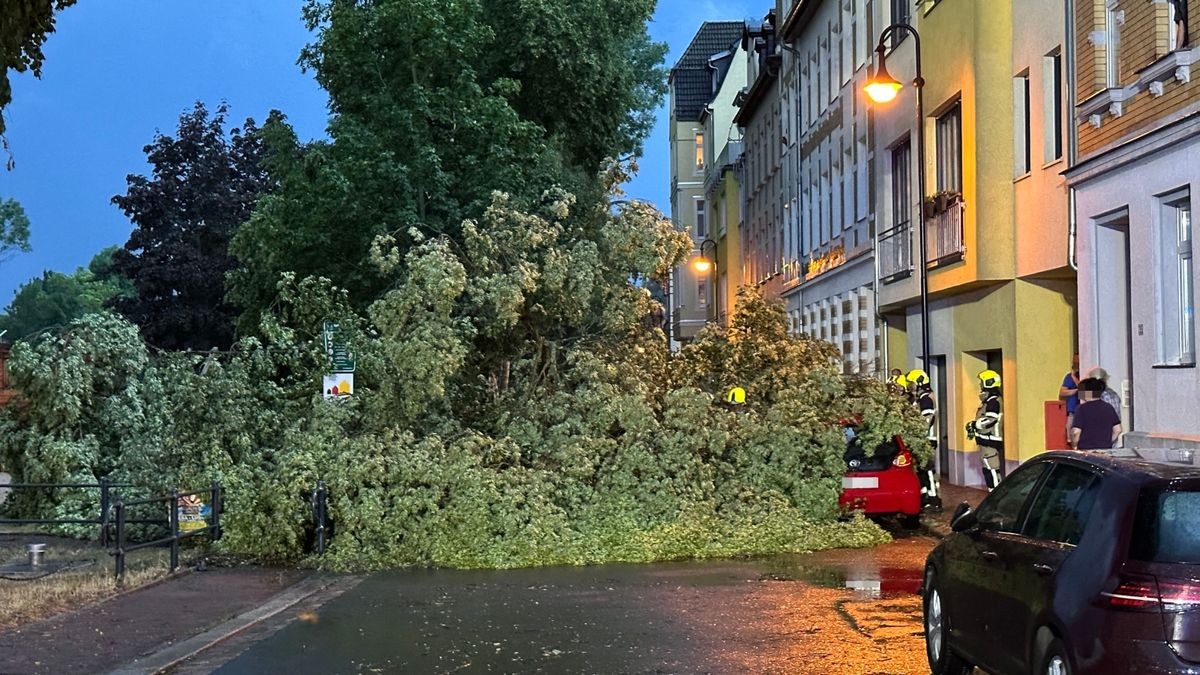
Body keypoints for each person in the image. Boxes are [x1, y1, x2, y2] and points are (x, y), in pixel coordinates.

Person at [907, 369, 942, 511]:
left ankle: (934, 500)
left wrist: (914, 430)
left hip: (926, 440)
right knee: (922, 471)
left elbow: (926, 420)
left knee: (928, 470)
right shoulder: (920, 398)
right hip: (920, 440)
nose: (911, 386)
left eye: (912, 383)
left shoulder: (926, 399)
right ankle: (925, 498)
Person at [968, 369, 1004, 491]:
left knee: (992, 471)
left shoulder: (993, 401)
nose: (980, 385)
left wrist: (975, 424)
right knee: (988, 470)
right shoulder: (989, 400)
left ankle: (996, 499)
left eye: (982, 382)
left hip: (990, 442)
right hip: (985, 441)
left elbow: (990, 419)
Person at [1071, 378, 1122, 450]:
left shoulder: (1081, 409)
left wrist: (1074, 445)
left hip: (1086, 450)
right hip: (1105, 450)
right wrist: (1108, 442)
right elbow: (1118, 429)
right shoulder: (1108, 407)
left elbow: (1075, 432)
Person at [1059, 354, 1081, 441]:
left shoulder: (1084, 375)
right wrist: (1075, 391)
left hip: (1082, 410)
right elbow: (1062, 392)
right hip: (1072, 411)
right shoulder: (1069, 377)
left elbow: (1082, 390)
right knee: (1071, 436)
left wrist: (1074, 377)